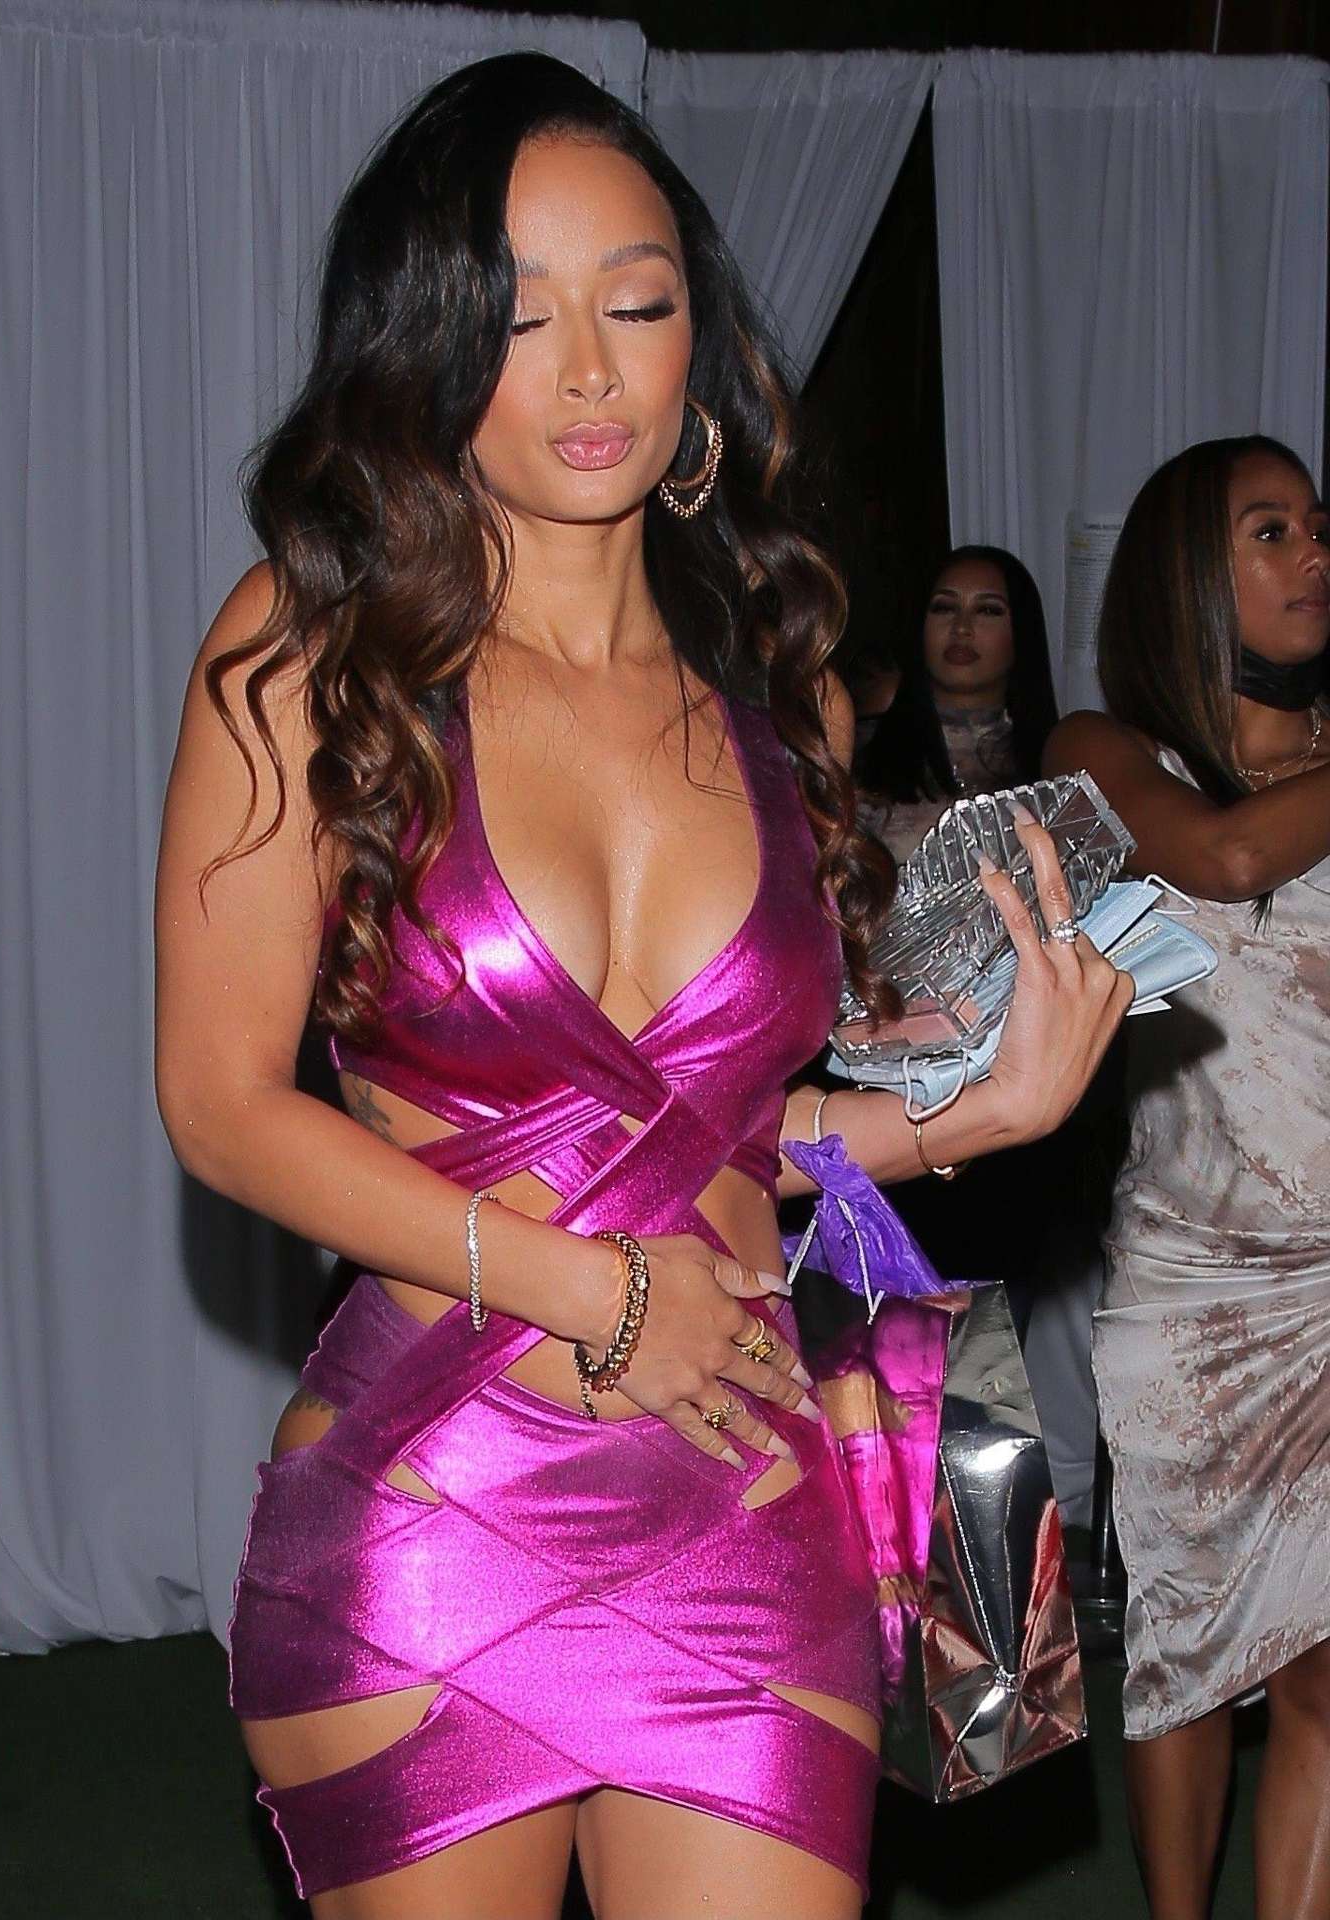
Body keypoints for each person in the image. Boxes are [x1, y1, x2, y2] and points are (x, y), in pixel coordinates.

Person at [155, 54, 1131, 1920]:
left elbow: (729, 1135)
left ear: (701, 336)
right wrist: (594, 1297)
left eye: (637, 301)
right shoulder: (309, 651)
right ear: (428, 352)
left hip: (747, 1497)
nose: (591, 371)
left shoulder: (782, 686)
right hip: (433, 1511)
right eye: (519, 318)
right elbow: (221, 1104)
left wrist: (971, 1116)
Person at [1046, 434, 1330, 1920]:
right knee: (1185, 1664)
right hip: (1191, 1289)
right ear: (1183, 576)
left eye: (1318, 526)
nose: (1315, 554)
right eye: (1270, 531)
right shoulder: (1102, 753)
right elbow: (1220, 862)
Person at [858, 545, 1059, 862]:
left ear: (1022, 630)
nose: (961, 628)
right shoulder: (855, 758)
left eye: (988, 610)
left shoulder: (1055, 765)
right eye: (944, 608)